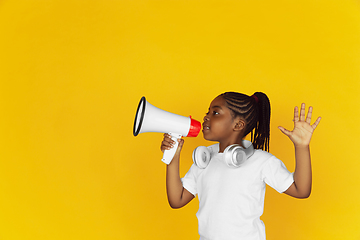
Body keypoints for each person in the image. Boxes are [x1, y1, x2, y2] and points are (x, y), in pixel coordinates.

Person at [161, 92, 321, 240]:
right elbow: (177, 200)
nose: (206, 117)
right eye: (207, 112)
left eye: (215, 113)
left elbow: (301, 190)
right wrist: (173, 157)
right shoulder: (204, 158)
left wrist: (301, 146)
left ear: (238, 125)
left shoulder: (261, 161)